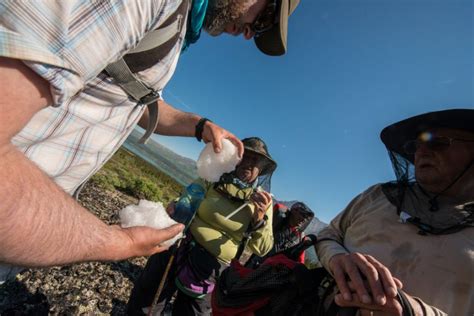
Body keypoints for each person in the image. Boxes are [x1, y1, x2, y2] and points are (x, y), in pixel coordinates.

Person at [0, 0, 301, 281]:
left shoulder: (176, 23)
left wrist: (198, 126)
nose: (249, 33)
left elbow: (129, 97)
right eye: (263, 17)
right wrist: (118, 242)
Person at [315, 109, 474, 315]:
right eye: (416, 146)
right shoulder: (376, 196)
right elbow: (328, 235)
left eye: (439, 142)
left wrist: (413, 311)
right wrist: (336, 259)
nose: (421, 152)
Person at [127, 137, 276, 315]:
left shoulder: (263, 202)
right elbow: (188, 197)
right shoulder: (213, 179)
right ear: (236, 158)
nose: (250, 163)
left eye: (257, 161)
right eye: (247, 156)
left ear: (261, 170)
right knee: (148, 298)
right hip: (181, 244)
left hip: (211, 267)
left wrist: (259, 219)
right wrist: (176, 205)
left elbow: (262, 249)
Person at [246, 201, 314, 267]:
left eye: (306, 218)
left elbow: (300, 262)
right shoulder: (279, 219)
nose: (304, 219)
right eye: (302, 215)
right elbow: (278, 207)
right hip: (257, 262)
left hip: (274, 273)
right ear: (294, 211)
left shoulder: (300, 237)